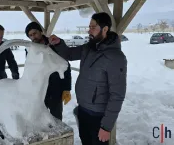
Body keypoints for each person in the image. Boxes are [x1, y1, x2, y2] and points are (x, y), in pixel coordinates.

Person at [48, 12, 127, 145]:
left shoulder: (116, 57)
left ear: (105, 29)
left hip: (98, 117)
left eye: (93, 27)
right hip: (83, 110)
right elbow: (69, 54)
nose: (89, 30)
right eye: (89, 26)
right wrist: (59, 43)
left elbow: (117, 95)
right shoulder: (89, 48)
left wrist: (106, 127)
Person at [25, 21, 72, 121]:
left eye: (35, 33)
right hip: (40, 90)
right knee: (40, 118)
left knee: (56, 117)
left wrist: (67, 88)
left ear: (41, 32)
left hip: (56, 87)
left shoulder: (55, 44)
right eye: (30, 35)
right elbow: (30, 70)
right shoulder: (30, 49)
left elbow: (66, 67)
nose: (33, 37)